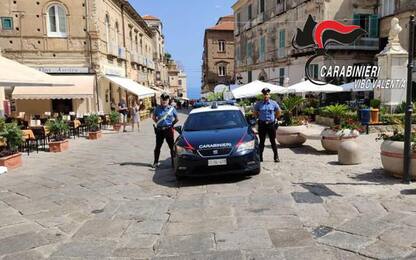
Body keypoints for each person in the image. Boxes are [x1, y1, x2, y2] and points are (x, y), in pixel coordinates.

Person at [253, 88, 282, 163]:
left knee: (273, 141)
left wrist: (274, 117)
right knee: (261, 142)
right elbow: (255, 112)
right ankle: (260, 157)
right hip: (262, 124)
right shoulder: (259, 104)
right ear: (262, 95)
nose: (266, 96)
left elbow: (279, 112)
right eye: (264, 94)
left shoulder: (273, 103)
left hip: (271, 125)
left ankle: (276, 157)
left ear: (269, 95)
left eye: (267, 94)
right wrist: (257, 118)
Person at [152, 93, 179, 168]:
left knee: (171, 147)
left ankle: (173, 163)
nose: (164, 101)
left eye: (166, 100)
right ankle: (155, 162)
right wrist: (159, 123)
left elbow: (177, 119)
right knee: (158, 146)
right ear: (160, 100)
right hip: (160, 130)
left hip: (168, 130)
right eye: (163, 99)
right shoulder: (157, 108)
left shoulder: (172, 109)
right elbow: (153, 117)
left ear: (168, 100)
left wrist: (171, 125)